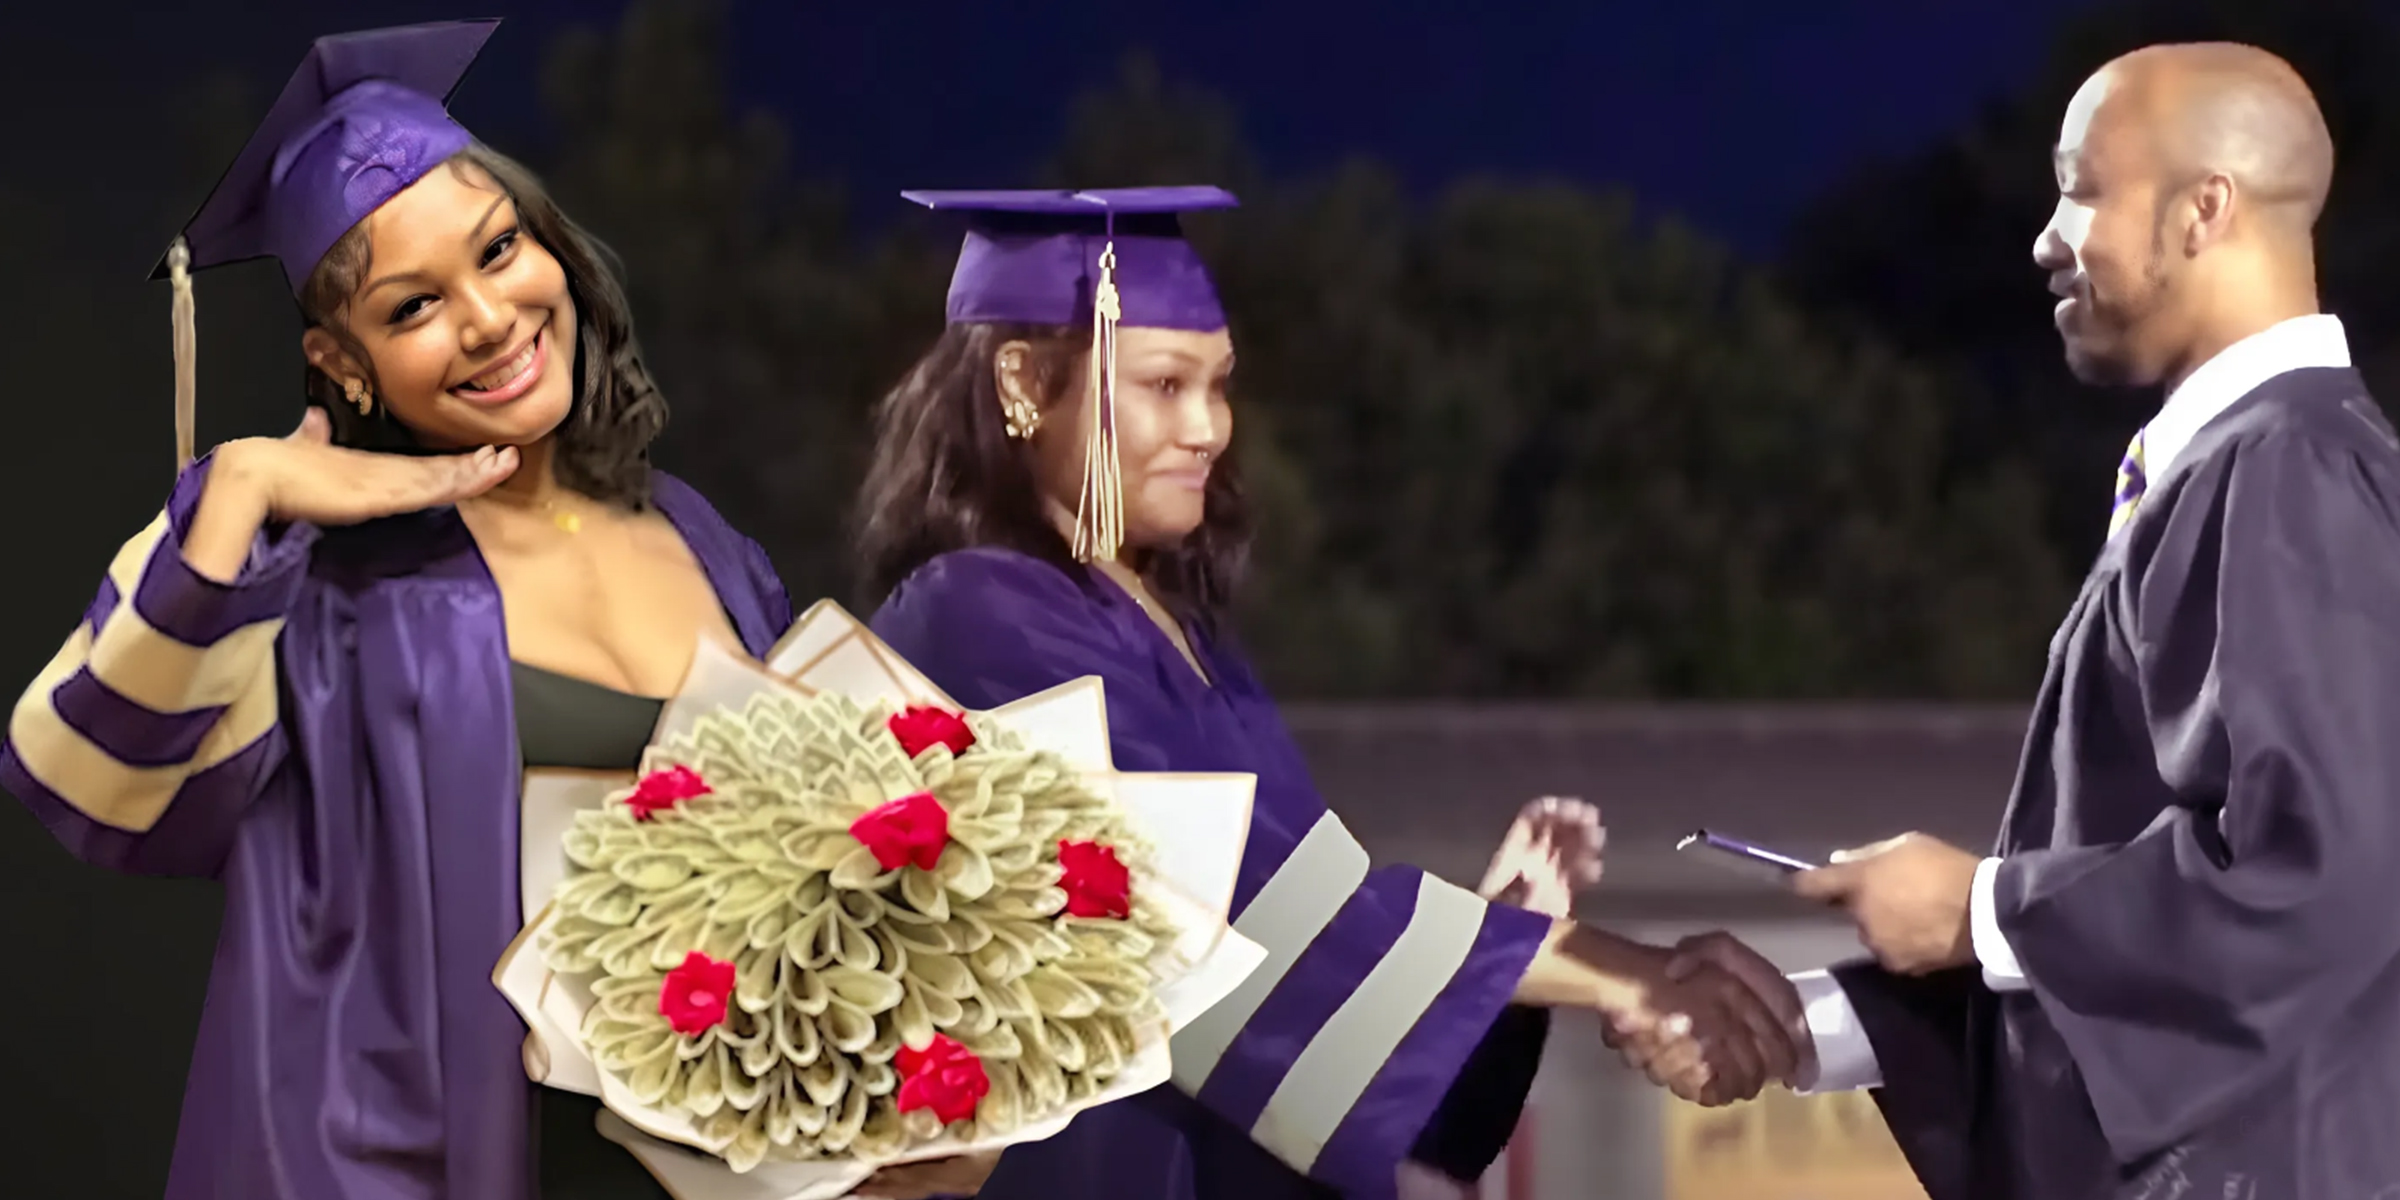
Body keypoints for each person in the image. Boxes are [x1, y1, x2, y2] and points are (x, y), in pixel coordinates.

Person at [852, 186, 1808, 1200]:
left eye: (1221, 385)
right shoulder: (973, 620)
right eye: (1165, 384)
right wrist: (1613, 970)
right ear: (1023, 384)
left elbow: (1321, 989)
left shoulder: (1184, 638)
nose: (1210, 427)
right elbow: (1216, 907)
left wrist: (1503, 952)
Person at [0, 21, 790, 1200]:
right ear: (345, 361)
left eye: (501, 248)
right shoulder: (325, 598)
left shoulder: (697, 533)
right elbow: (95, 775)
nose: (488, 317)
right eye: (413, 306)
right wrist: (247, 489)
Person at [1668, 42, 2400, 1200]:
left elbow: (2326, 879)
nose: (2046, 238)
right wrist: (1808, 1026)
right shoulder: (2236, 471)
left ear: (2206, 209)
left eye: (2084, 189)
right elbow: (2172, 958)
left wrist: (1981, 906)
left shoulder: (2290, 473)